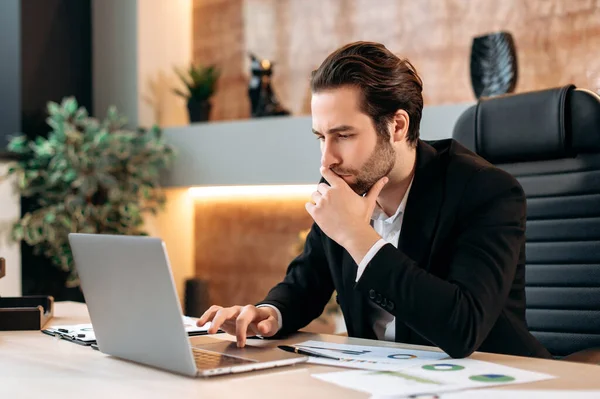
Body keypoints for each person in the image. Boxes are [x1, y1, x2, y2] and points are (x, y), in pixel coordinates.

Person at [197, 41, 551, 359]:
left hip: (498, 382)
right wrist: (269, 313)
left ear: (397, 126)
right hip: (383, 381)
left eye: (344, 135)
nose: (327, 159)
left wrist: (358, 236)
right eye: (321, 136)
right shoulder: (343, 183)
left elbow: (462, 329)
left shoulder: (486, 191)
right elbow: (307, 282)